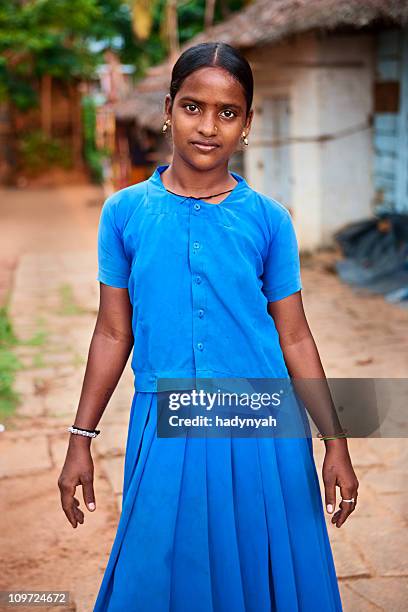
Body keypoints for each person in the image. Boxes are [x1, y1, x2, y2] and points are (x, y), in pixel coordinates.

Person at [58, 41, 359, 611]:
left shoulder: (269, 220)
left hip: (261, 427)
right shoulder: (124, 213)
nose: (208, 126)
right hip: (166, 424)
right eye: (194, 106)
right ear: (168, 107)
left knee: (263, 577)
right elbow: (112, 333)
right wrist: (81, 438)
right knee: (160, 576)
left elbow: (294, 336)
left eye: (228, 112)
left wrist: (335, 441)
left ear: (247, 123)